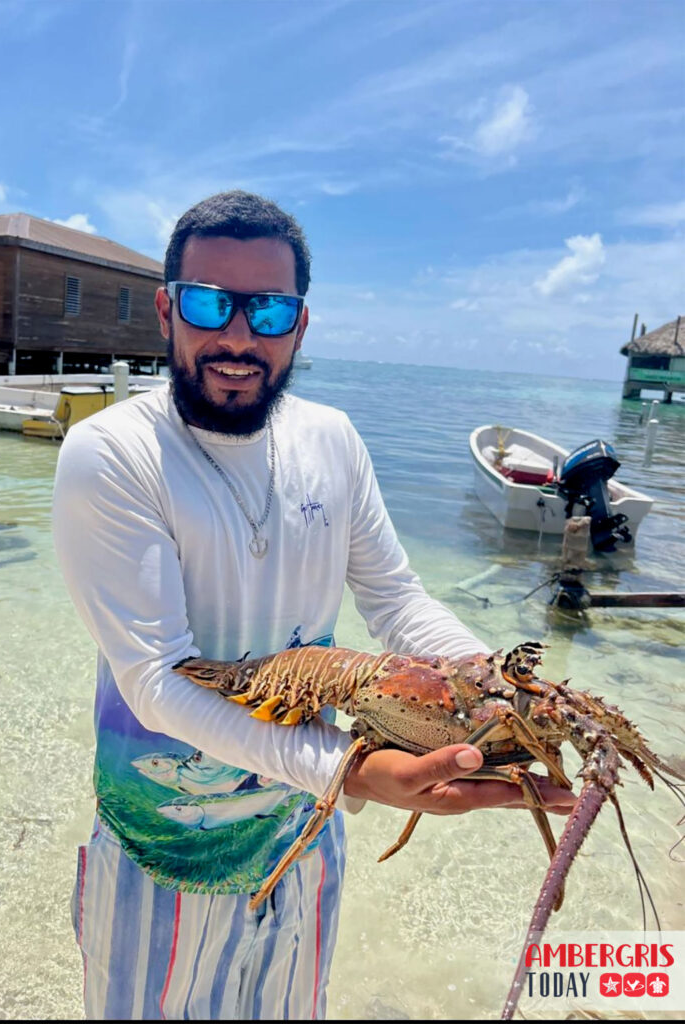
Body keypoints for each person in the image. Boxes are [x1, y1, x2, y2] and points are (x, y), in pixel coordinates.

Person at [52, 190, 574, 1020]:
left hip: (305, 837)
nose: (236, 336)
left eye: (267, 309)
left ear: (300, 324)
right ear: (165, 309)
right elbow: (154, 678)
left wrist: (489, 684)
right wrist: (355, 767)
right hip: (166, 848)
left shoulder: (333, 439)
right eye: (207, 302)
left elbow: (398, 601)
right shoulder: (111, 453)